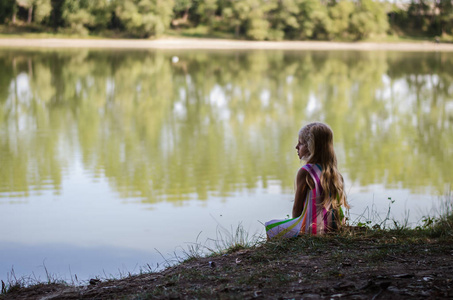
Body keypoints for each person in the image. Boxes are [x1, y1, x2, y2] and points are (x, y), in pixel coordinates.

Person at [265, 122, 349, 239]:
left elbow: (297, 208)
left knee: (270, 227)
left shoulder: (305, 172)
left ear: (311, 147)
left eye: (301, 143)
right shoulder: (333, 172)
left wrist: (296, 228)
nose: (296, 147)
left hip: (310, 230)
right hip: (332, 228)